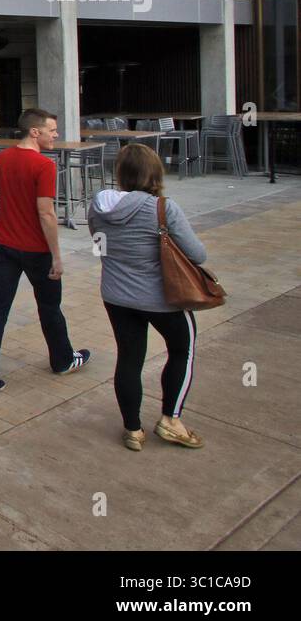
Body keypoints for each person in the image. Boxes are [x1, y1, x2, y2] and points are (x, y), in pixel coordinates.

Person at [88, 144, 206, 452]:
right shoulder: (163, 208)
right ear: (154, 173)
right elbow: (198, 254)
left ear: (121, 173)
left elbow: (99, 248)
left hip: (116, 296)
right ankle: (171, 420)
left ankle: (133, 429)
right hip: (162, 298)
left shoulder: (98, 207)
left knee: (129, 358)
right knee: (182, 349)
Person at [0, 108, 91, 390]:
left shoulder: (3, 157)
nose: (56, 135)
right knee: (50, 307)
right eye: (52, 130)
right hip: (36, 250)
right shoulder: (44, 166)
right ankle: (63, 360)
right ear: (35, 132)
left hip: (3, 245)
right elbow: (46, 213)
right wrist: (57, 256)